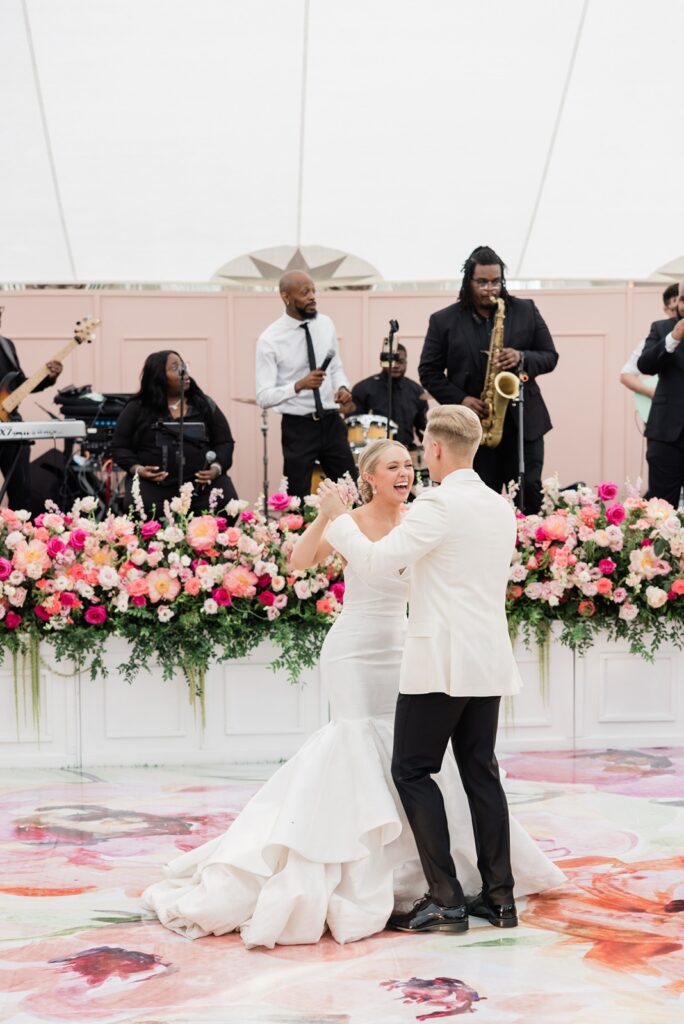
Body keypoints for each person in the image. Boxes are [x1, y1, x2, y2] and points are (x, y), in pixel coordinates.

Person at [141, 436, 564, 948]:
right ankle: (367, 866)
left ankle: (433, 882)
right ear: (370, 476)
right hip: (356, 648)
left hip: (411, 648)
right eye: (392, 467)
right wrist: (328, 518)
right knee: (363, 746)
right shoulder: (360, 520)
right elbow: (300, 562)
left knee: (408, 761)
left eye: (409, 464)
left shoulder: (426, 517)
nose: (404, 474)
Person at [321, 405, 536, 933]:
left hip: (440, 662)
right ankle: (500, 898)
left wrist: (337, 517)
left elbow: (374, 562)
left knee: (412, 770)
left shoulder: (437, 505)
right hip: (486, 658)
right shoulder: (497, 505)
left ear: (435, 449)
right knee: (480, 771)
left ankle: (445, 897)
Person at [418, 245, 558, 514]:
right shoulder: (443, 320)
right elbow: (429, 372)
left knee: (529, 490)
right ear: (468, 281)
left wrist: (520, 357)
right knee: (480, 500)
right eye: (482, 282)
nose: (489, 288)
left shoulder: (525, 310)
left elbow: (550, 356)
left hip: (523, 424)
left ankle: (527, 552)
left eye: (495, 282)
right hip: (475, 429)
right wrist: (461, 399)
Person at [255, 271, 357, 500]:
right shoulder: (270, 339)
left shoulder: (326, 324)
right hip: (298, 427)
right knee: (297, 497)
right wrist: (299, 385)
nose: (312, 297)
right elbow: (263, 396)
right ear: (285, 297)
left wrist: (343, 388)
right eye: (304, 293)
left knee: (351, 490)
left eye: (313, 290)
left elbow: (336, 367)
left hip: (331, 421)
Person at [111, 350, 237, 515]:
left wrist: (216, 468)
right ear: (159, 376)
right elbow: (120, 447)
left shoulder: (203, 404)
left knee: (227, 502)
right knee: (139, 506)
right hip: (154, 486)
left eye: (183, 366)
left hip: (201, 486)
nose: (184, 372)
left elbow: (224, 442)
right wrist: (139, 469)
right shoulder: (137, 408)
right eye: (175, 367)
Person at [0, 305, 63, 511]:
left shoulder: (6, 345)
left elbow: (19, 387)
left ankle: (18, 538)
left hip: (11, 423)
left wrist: (49, 377)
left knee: (22, 492)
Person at [637, 281, 684, 505]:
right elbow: (645, 365)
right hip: (666, 435)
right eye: (683, 300)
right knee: (661, 509)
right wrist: (673, 338)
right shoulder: (662, 328)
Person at [348, 343, 428, 449]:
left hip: (406, 451)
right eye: (391, 361)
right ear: (383, 361)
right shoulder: (363, 389)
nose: (395, 365)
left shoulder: (416, 391)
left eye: (400, 361)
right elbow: (353, 427)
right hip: (375, 453)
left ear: (406, 363)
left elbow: (423, 429)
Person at [619, 283, 679, 410]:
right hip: (666, 413)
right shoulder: (655, 336)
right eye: (675, 308)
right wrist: (651, 392)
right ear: (666, 309)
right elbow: (626, 374)